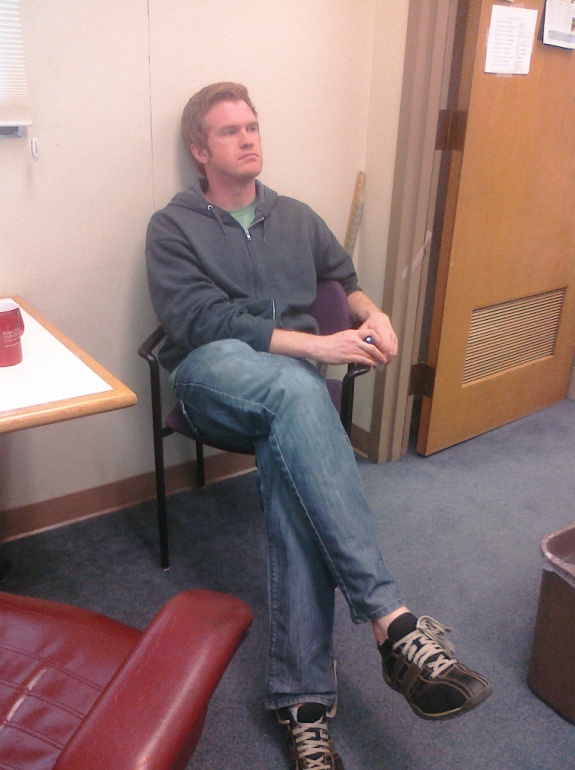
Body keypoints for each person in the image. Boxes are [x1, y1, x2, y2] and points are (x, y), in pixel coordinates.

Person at [145, 82, 493, 770]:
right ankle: (391, 620)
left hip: (291, 391)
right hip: (213, 374)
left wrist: (373, 314)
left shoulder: (296, 215)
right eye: (229, 130)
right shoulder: (173, 226)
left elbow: (343, 277)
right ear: (198, 149)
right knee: (296, 388)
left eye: (252, 125)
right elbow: (199, 322)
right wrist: (315, 346)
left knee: (291, 439)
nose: (248, 137)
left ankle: (301, 705)